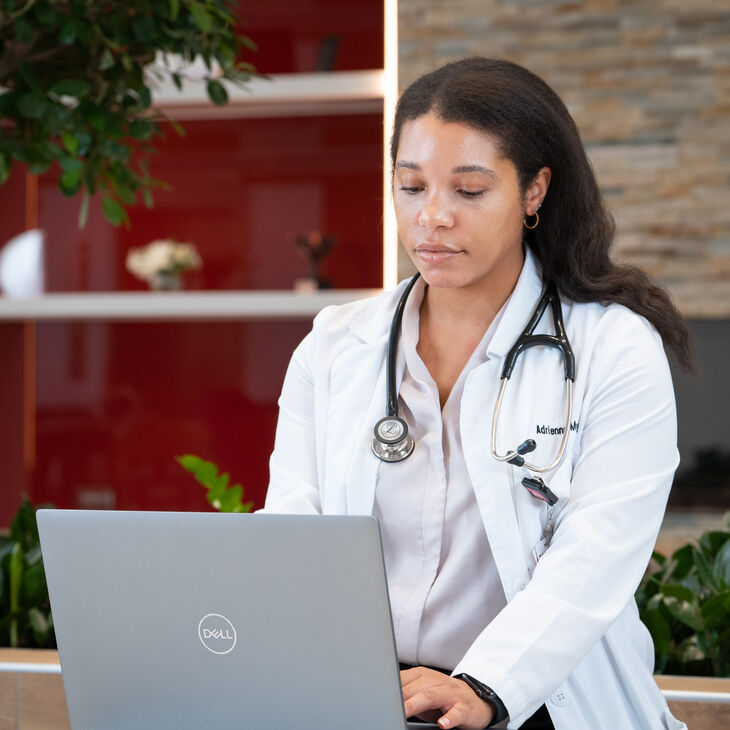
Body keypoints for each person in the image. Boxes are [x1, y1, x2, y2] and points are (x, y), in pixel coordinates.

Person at [263, 57, 691, 730]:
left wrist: (484, 686)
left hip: (540, 701)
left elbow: (595, 554)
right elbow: (291, 533)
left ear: (534, 192)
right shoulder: (334, 346)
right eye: (411, 186)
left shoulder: (612, 348)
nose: (432, 217)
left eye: (468, 190)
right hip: (371, 701)